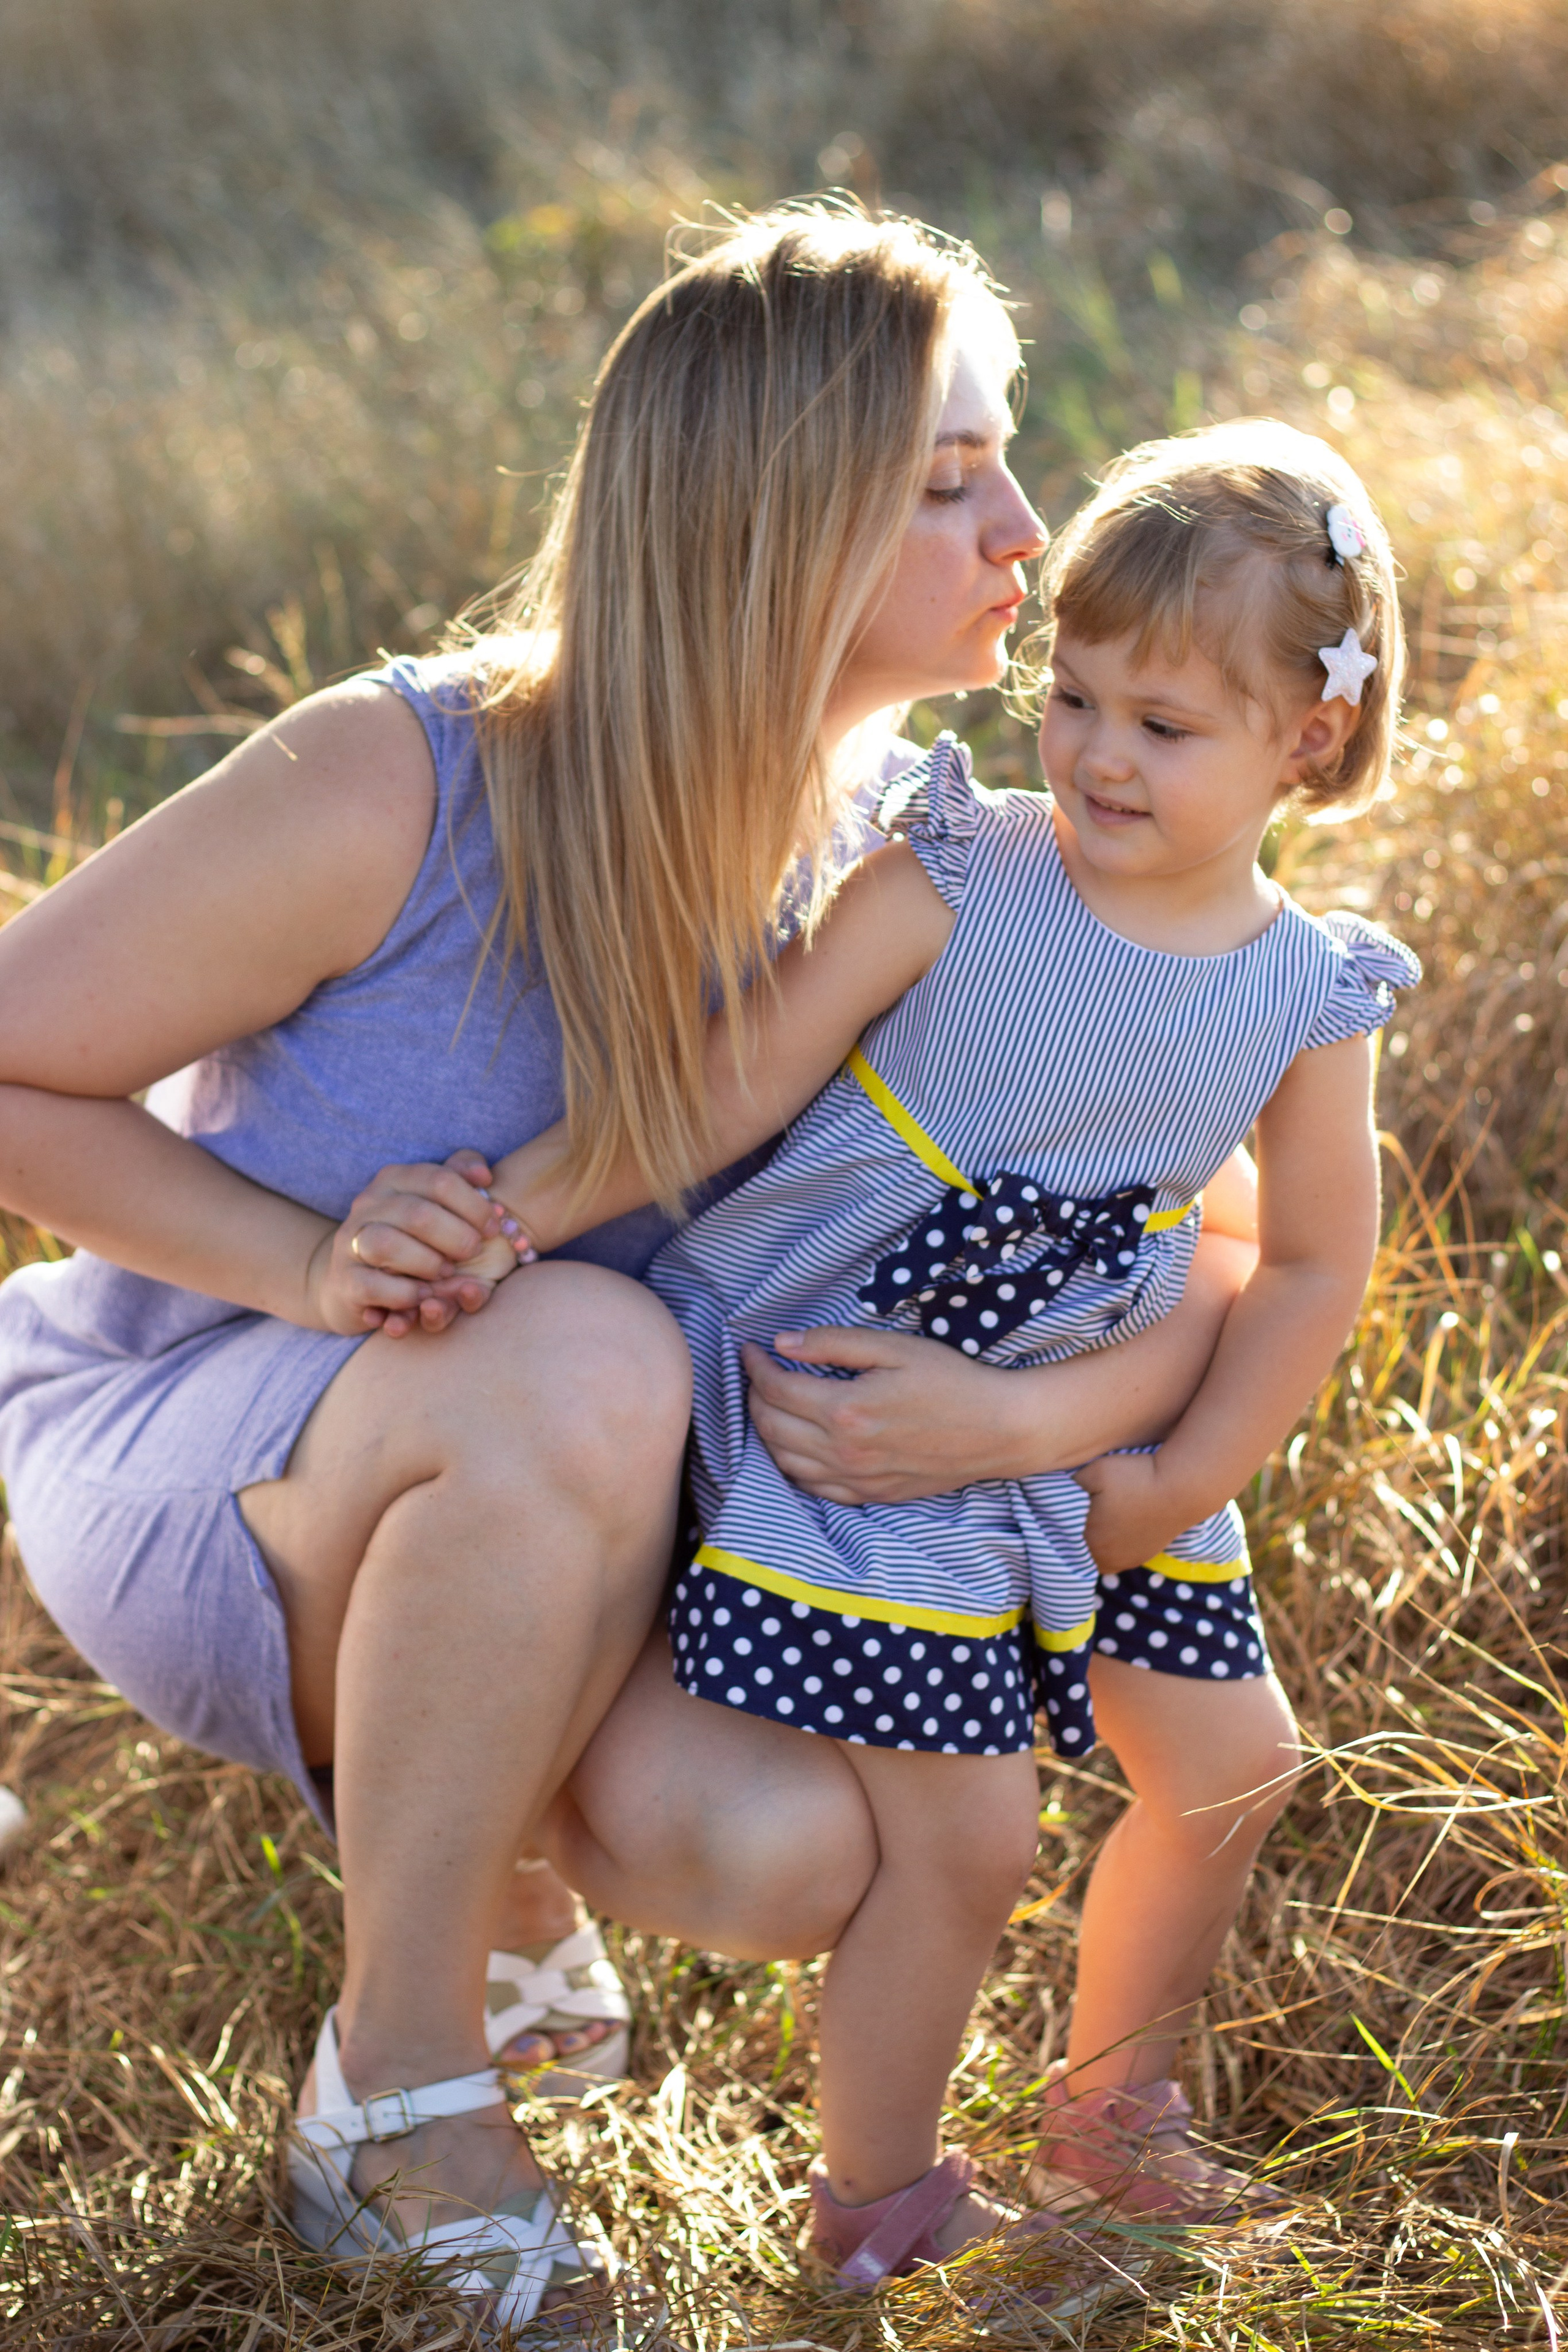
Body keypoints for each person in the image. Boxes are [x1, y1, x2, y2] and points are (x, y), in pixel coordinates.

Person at [0, 205, 1255, 2328]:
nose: (1027, 527)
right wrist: (306, 1261)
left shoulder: (933, 860)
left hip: (583, 1480)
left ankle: (481, 1866)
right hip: (201, 1440)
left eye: (1007, 457)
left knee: (789, 1849)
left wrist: (1027, 1423)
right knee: (575, 1350)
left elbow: (1204, 1225)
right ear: (770, 520)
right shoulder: (404, 775)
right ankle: (394, 2093)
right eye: (950, 481)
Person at [439, 419, 1419, 2279]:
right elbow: (740, 1079)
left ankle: (1118, 2106)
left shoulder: (1313, 989)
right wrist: (517, 1210)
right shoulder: (972, 868)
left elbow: (1302, 1271)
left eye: (1168, 724)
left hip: (1094, 1410)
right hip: (861, 1385)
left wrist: (1189, 1475)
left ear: (1311, 736)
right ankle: (875, 2196)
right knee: (972, 1843)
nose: (1102, 753)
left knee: (1230, 1765)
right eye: (1080, 696)